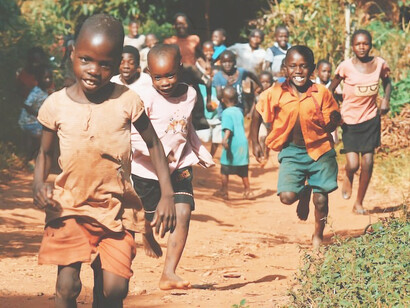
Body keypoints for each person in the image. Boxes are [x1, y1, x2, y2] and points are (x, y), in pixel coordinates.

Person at [33, 14, 176, 308]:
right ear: (72, 52)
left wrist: (167, 193)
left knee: (114, 290)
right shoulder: (55, 104)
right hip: (69, 205)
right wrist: (38, 183)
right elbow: (44, 153)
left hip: (116, 207)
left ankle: (103, 272)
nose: (93, 70)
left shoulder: (127, 100)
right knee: (67, 285)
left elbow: (153, 144)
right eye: (85, 59)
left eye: (105, 64)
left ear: (117, 64)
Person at [131, 44, 214, 290]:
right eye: (158, 77)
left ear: (180, 68)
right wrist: (156, 153)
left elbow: (186, 127)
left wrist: (199, 151)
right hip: (147, 169)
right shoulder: (143, 97)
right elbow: (133, 136)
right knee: (156, 219)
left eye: (170, 75)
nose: (165, 82)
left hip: (180, 163)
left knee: (183, 213)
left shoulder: (190, 94)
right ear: (148, 73)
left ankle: (169, 273)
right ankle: (145, 229)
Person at [250, 45, 341, 249]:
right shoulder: (276, 92)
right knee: (286, 197)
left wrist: (334, 121)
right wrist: (253, 141)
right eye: (293, 66)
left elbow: (330, 122)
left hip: (320, 151)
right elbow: (258, 112)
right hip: (292, 151)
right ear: (285, 68)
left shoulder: (322, 93)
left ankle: (318, 234)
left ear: (313, 69)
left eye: (304, 66)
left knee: (321, 200)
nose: (298, 71)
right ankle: (303, 191)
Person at [329, 29, 392, 214]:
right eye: (358, 44)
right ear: (353, 46)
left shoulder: (380, 64)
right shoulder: (345, 66)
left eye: (365, 43)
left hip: (370, 119)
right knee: (353, 164)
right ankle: (348, 175)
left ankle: (359, 203)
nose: (362, 47)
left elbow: (388, 83)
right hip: (349, 120)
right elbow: (330, 89)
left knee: (368, 161)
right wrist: (335, 112)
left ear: (370, 44)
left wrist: (386, 99)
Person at [214, 86, 253, 200]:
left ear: (222, 100)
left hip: (232, 144)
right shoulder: (239, 112)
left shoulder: (226, 113)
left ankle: (224, 190)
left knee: (225, 168)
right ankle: (248, 190)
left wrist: (224, 139)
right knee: (243, 169)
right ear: (236, 99)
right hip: (242, 144)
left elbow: (228, 129)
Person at [18, 66, 53, 160]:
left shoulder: (45, 92)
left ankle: (36, 157)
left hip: (36, 121)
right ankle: (32, 158)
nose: (48, 80)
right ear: (38, 79)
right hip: (28, 121)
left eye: (50, 77)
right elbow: (27, 105)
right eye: (45, 78)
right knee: (42, 136)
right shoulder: (36, 92)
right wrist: (38, 115)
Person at [212, 50, 262, 116]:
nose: (227, 64)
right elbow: (219, 96)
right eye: (224, 62)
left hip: (239, 109)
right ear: (220, 63)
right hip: (224, 111)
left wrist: (260, 85)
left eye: (230, 62)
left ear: (235, 62)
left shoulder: (240, 72)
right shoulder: (218, 76)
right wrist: (227, 85)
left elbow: (251, 74)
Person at [315, 59, 342, 143]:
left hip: (330, 116)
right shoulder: (313, 84)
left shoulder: (334, 85)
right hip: (316, 116)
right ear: (317, 71)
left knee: (332, 140)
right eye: (323, 71)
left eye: (329, 72)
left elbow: (340, 98)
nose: (326, 74)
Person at [256, 71, 274, 166]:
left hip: (272, 122)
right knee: (262, 137)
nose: (265, 84)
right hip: (262, 121)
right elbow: (255, 109)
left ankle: (267, 152)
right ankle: (263, 155)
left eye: (268, 82)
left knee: (268, 140)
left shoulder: (274, 95)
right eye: (262, 82)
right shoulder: (258, 96)